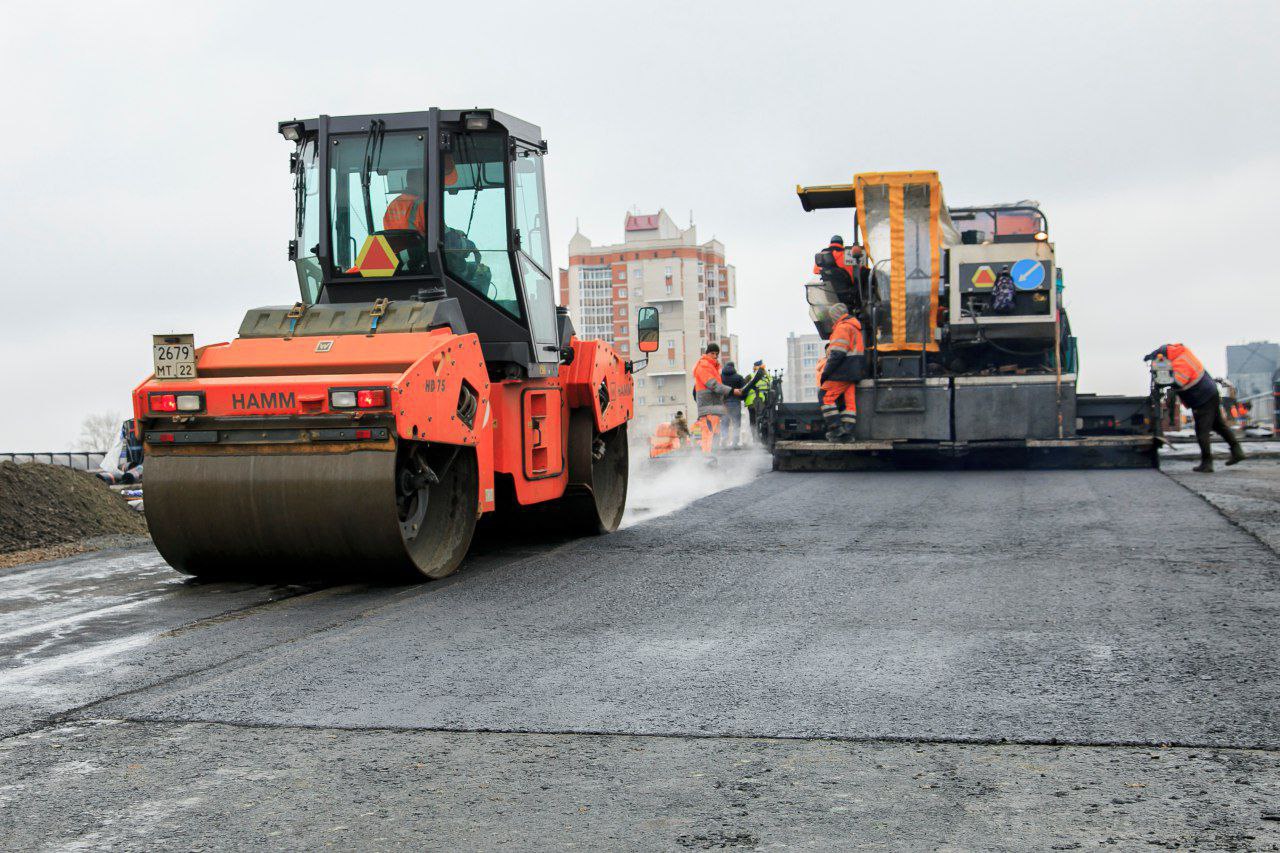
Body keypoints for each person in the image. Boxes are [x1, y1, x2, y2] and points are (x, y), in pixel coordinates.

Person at [1145, 343, 1246, 472]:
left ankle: (1207, 463)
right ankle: (1237, 451)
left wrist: (1160, 380)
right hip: (1209, 393)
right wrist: (1152, 357)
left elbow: (1177, 381)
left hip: (1202, 397)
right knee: (1218, 425)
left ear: (1165, 356)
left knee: (1202, 430)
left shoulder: (1180, 362)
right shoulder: (1180, 354)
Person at [819, 303, 865, 442]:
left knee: (824, 395)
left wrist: (825, 373)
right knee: (848, 403)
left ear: (836, 316)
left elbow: (837, 354)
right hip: (853, 372)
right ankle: (847, 433)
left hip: (842, 371)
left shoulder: (842, 328)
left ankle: (836, 430)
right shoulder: (854, 328)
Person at [692, 343, 739, 453]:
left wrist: (722, 406)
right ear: (707, 353)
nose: (714, 356)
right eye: (712, 353)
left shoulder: (712, 368)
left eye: (716, 354)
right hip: (709, 409)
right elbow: (713, 385)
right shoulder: (703, 366)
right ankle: (707, 459)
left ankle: (711, 460)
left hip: (713, 408)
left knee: (714, 436)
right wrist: (732, 391)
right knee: (708, 436)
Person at [720, 361, 747, 448]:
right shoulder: (739, 377)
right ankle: (735, 442)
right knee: (736, 423)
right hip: (735, 403)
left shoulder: (720, 377)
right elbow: (744, 390)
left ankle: (724, 439)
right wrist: (742, 398)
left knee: (724, 422)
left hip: (724, 403)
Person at [743, 360, 771, 433]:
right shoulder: (768, 377)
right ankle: (764, 438)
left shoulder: (750, 376)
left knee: (753, 422)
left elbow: (743, 388)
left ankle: (755, 439)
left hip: (752, 403)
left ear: (755, 367)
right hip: (765, 402)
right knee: (765, 420)